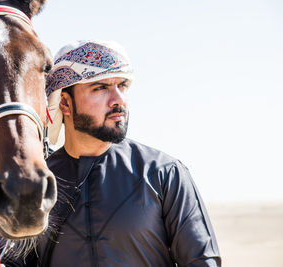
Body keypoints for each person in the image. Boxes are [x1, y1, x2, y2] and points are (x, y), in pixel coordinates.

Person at [27, 40, 221, 266]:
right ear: (65, 104)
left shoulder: (163, 173)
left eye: (123, 86)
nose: (118, 99)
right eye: (100, 87)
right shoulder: (36, 182)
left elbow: (202, 260)